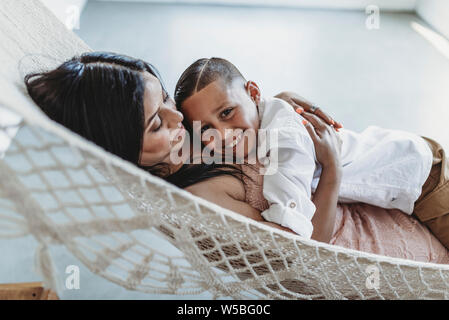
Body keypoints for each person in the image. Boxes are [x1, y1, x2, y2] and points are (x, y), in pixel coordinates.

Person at [24, 52, 449, 262]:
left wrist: (276, 108)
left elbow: (231, 105)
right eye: (156, 123)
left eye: (167, 101)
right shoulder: (200, 202)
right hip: (410, 245)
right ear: (121, 150)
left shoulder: (189, 138)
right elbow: (307, 255)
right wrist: (332, 169)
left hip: (412, 181)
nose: (179, 120)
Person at [173, 57, 449, 248]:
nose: (222, 135)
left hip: (424, 178)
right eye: (205, 128)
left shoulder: (285, 143)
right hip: (405, 165)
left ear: (254, 93)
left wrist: (331, 170)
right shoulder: (258, 119)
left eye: (227, 112)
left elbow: (305, 245)